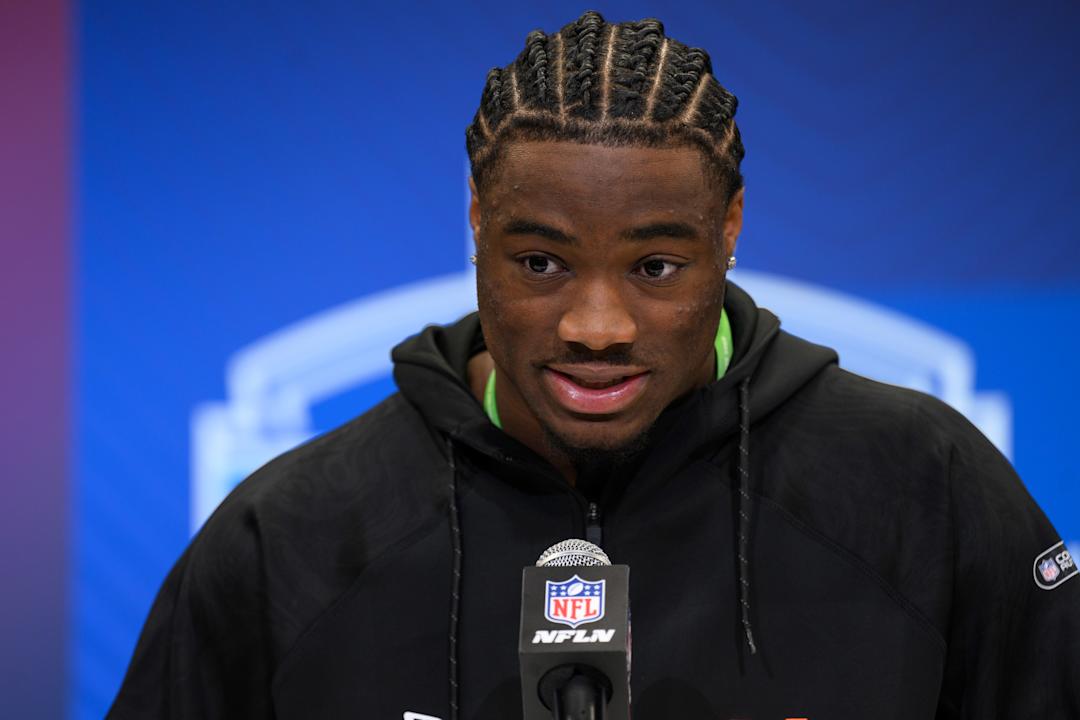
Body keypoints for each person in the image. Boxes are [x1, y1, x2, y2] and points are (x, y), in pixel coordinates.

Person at [108, 11, 1078, 719]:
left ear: (729, 230)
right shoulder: (287, 537)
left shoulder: (921, 485)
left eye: (656, 266)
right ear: (477, 224)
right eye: (541, 263)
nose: (598, 324)